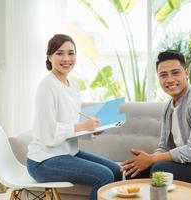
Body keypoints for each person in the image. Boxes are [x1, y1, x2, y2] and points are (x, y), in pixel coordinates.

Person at [121, 50, 191, 195]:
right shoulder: (168, 108)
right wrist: (146, 161)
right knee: (135, 173)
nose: (169, 79)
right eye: (163, 75)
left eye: (175, 73)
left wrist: (152, 159)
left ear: (186, 73)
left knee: (159, 171)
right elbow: (163, 146)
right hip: (188, 165)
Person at [26, 34, 122, 200]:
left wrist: (93, 129)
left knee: (116, 171)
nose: (66, 58)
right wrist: (82, 126)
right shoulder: (47, 86)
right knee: (104, 176)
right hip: (43, 161)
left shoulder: (73, 85)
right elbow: (47, 134)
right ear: (49, 57)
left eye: (71, 53)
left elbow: (71, 125)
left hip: (68, 152)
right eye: (59, 53)